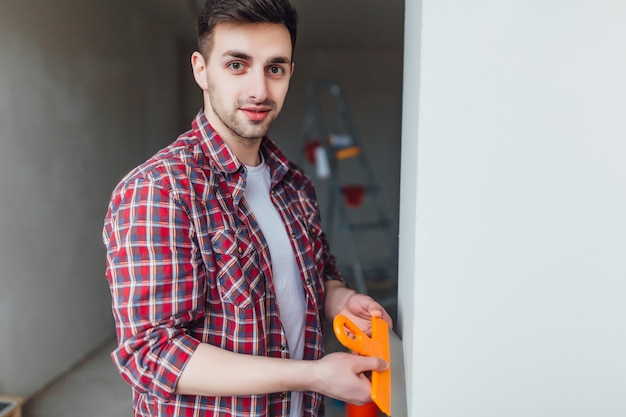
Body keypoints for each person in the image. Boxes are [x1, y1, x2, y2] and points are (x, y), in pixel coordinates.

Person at [102, 0, 393, 416]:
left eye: (274, 68)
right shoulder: (160, 189)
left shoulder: (294, 185)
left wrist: (341, 299)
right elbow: (152, 355)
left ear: (290, 72)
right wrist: (312, 375)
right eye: (237, 65)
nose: (259, 90)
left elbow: (319, 276)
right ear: (202, 69)